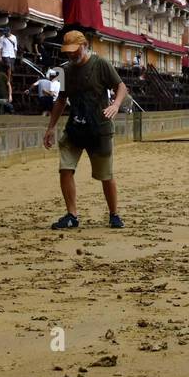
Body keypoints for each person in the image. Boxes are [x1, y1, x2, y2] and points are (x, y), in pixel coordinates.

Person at [44, 31, 128, 229]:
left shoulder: (101, 64)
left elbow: (121, 87)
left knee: (105, 175)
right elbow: (61, 100)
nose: (72, 55)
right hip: (75, 128)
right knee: (65, 169)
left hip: (99, 128)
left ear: (84, 45)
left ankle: (114, 214)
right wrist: (51, 127)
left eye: (75, 50)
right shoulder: (65, 71)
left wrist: (115, 105)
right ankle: (72, 215)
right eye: (68, 52)